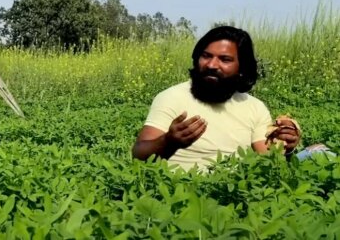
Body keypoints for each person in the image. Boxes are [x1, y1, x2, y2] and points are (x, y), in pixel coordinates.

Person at [131, 25, 333, 172]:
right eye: (206, 56)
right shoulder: (172, 97)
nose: (211, 65)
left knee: (325, 155)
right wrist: (169, 141)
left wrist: (285, 146)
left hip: (236, 190)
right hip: (182, 189)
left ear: (242, 69)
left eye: (225, 59)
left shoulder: (254, 107)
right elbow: (139, 153)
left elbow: (269, 160)